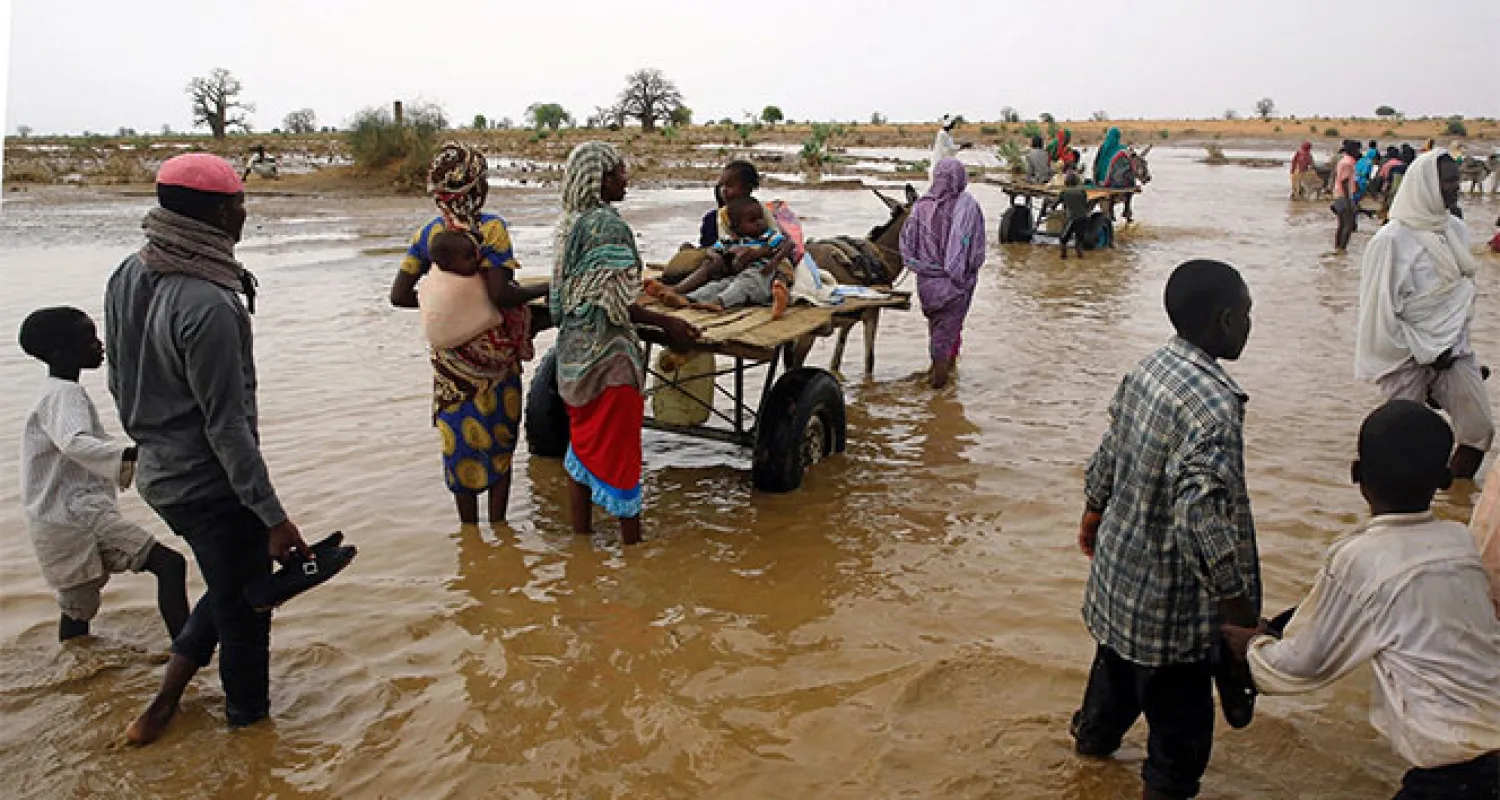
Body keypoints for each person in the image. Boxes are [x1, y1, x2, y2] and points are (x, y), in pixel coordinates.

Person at [105, 153, 309, 744]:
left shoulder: (128, 273)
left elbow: (119, 379)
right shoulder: (211, 304)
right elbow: (228, 427)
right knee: (247, 617)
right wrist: (272, 516)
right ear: (220, 214)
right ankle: (250, 740)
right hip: (211, 484)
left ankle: (163, 705)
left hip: (160, 473)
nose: (245, 215)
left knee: (231, 586)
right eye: (240, 204)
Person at [1224, 400, 1500, 800]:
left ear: (1356, 473)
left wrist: (1254, 648)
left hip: (1453, 770)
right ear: (1444, 480)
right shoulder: (1460, 543)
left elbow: (1307, 662)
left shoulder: (1358, 558)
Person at [1072, 260, 1259, 800]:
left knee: (1106, 704)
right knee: (1176, 758)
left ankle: (1084, 770)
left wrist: (1093, 508)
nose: (1250, 323)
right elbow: (1202, 523)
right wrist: (1239, 612)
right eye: (1247, 313)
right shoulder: (1215, 407)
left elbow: (1110, 448)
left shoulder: (1149, 369)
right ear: (1226, 320)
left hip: (1120, 591)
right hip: (1174, 621)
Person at [549, 142, 699, 545]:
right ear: (598, 179)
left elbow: (558, 302)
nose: (625, 179)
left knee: (581, 450)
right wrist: (667, 323)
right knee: (621, 458)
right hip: (608, 358)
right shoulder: (605, 226)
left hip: (572, 358)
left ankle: (581, 544)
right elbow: (617, 304)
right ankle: (633, 552)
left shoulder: (567, 224)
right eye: (618, 172)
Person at [390, 143, 546, 525]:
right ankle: (499, 527)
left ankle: (469, 535)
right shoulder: (491, 230)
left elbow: (399, 296)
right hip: (496, 364)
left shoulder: (427, 234)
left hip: (450, 369)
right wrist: (546, 289)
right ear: (475, 188)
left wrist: (445, 306)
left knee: (459, 447)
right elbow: (501, 294)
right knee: (500, 446)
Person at [18, 307, 189, 644]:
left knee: (77, 609)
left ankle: (81, 666)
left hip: (62, 518)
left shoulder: (53, 392)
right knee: (169, 566)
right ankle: (188, 654)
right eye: (88, 339)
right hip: (76, 515)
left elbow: (81, 443)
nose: (100, 345)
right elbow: (75, 442)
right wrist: (137, 454)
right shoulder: (64, 394)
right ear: (60, 352)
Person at [1355, 150, 1490, 479]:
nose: (1456, 187)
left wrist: (1446, 347)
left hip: (1453, 350)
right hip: (1406, 355)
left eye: (1457, 180)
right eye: (1448, 181)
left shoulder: (1456, 229)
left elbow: (1455, 297)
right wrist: (1426, 352)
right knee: (1403, 446)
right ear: (1426, 184)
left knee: (1479, 431)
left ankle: (1451, 495)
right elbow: (1380, 312)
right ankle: (1405, 507)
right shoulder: (1390, 241)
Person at [898, 158, 986, 389]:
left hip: (927, 286)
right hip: (955, 286)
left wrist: (925, 268)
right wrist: (961, 275)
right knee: (944, 340)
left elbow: (906, 248)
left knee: (937, 332)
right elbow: (974, 252)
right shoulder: (967, 206)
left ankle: (939, 382)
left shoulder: (920, 207)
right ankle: (940, 395)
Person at [677, 196, 792, 315]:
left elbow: (789, 244)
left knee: (742, 286)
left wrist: (774, 262)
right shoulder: (732, 240)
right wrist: (715, 257)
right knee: (718, 285)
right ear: (736, 227)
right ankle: (689, 299)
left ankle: (719, 303)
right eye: (752, 220)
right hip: (737, 275)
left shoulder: (768, 236)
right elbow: (711, 250)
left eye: (760, 218)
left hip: (760, 277)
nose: (759, 222)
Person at [1332, 140, 1361, 251]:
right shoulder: (1348, 163)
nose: (1358, 152)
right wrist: (1349, 201)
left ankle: (1338, 248)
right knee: (1348, 225)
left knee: (1342, 224)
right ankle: (1342, 249)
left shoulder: (1344, 161)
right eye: (1357, 150)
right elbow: (1344, 181)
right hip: (1344, 196)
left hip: (1339, 195)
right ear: (1352, 150)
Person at [1057, 172, 1089, 259]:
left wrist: (1051, 205)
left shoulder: (1064, 192)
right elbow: (1085, 204)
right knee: (1078, 242)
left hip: (1072, 218)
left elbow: (1055, 204)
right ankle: (1081, 261)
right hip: (1083, 218)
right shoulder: (1082, 191)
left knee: (1063, 240)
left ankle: (1063, 258)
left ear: (1066, 182)